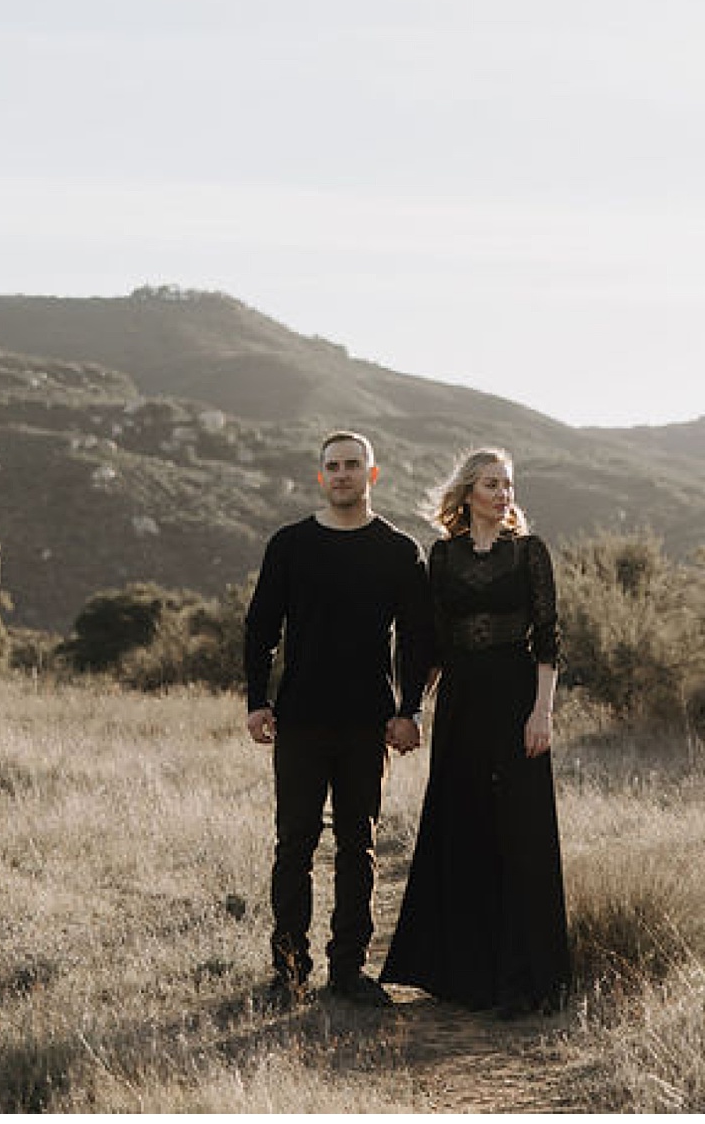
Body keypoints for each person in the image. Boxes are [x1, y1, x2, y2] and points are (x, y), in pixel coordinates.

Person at [242, 430, 433, 1008]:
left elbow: (419, 640)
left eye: (353, 465)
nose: (343, 474)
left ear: (372, 475)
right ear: (321, 476)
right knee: (293, 845)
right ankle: (290, 972)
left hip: (365, 724)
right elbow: (260, 628)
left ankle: (348, 972)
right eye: (333, 466)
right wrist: (256, 700)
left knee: (360, 846)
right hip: (299, 720)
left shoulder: (400, 552)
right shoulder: (291, 545)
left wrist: (408, 711)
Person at [381, 446, 572, 1016]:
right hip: (462, 703)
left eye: (507, 484)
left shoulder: (529, 553)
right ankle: (465, 976)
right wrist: (410, 709)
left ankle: (527, 979)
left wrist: (543, 713)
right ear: (467, 493)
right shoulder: (442, 558)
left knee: (522, 828)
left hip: (517, 700)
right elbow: (431, 647)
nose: (502, 493)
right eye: (490, 483)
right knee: (464, 824)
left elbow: (548, 640)